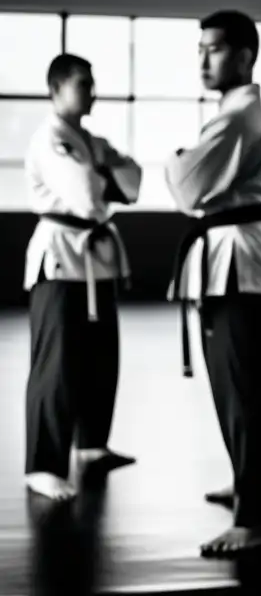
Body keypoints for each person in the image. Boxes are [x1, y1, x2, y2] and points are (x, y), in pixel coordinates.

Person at [165, 10, 261, 558]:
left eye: (212, 49)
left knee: (244, 390)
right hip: (234, 255)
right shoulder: (245, 114)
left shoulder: (237, 119)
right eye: (198, 49)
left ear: (243, 55)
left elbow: (188, 187)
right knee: (238, 386)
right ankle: (249, 483)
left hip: (237, 258)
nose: (202, 59)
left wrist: (175, 160)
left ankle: (258, 518)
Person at [23, 53, 141, 501]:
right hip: (60, 259)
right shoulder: (51, 139)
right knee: (55, 365)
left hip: (96, 259)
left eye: (92, 82)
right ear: (56, 89)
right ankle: (42, 464)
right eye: (82, 84)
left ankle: (91, 443)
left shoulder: (87, 140)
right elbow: (88, 197)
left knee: (100, 354)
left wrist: (105, 176)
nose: (92, 91)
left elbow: (133, 182)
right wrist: (105, 177)